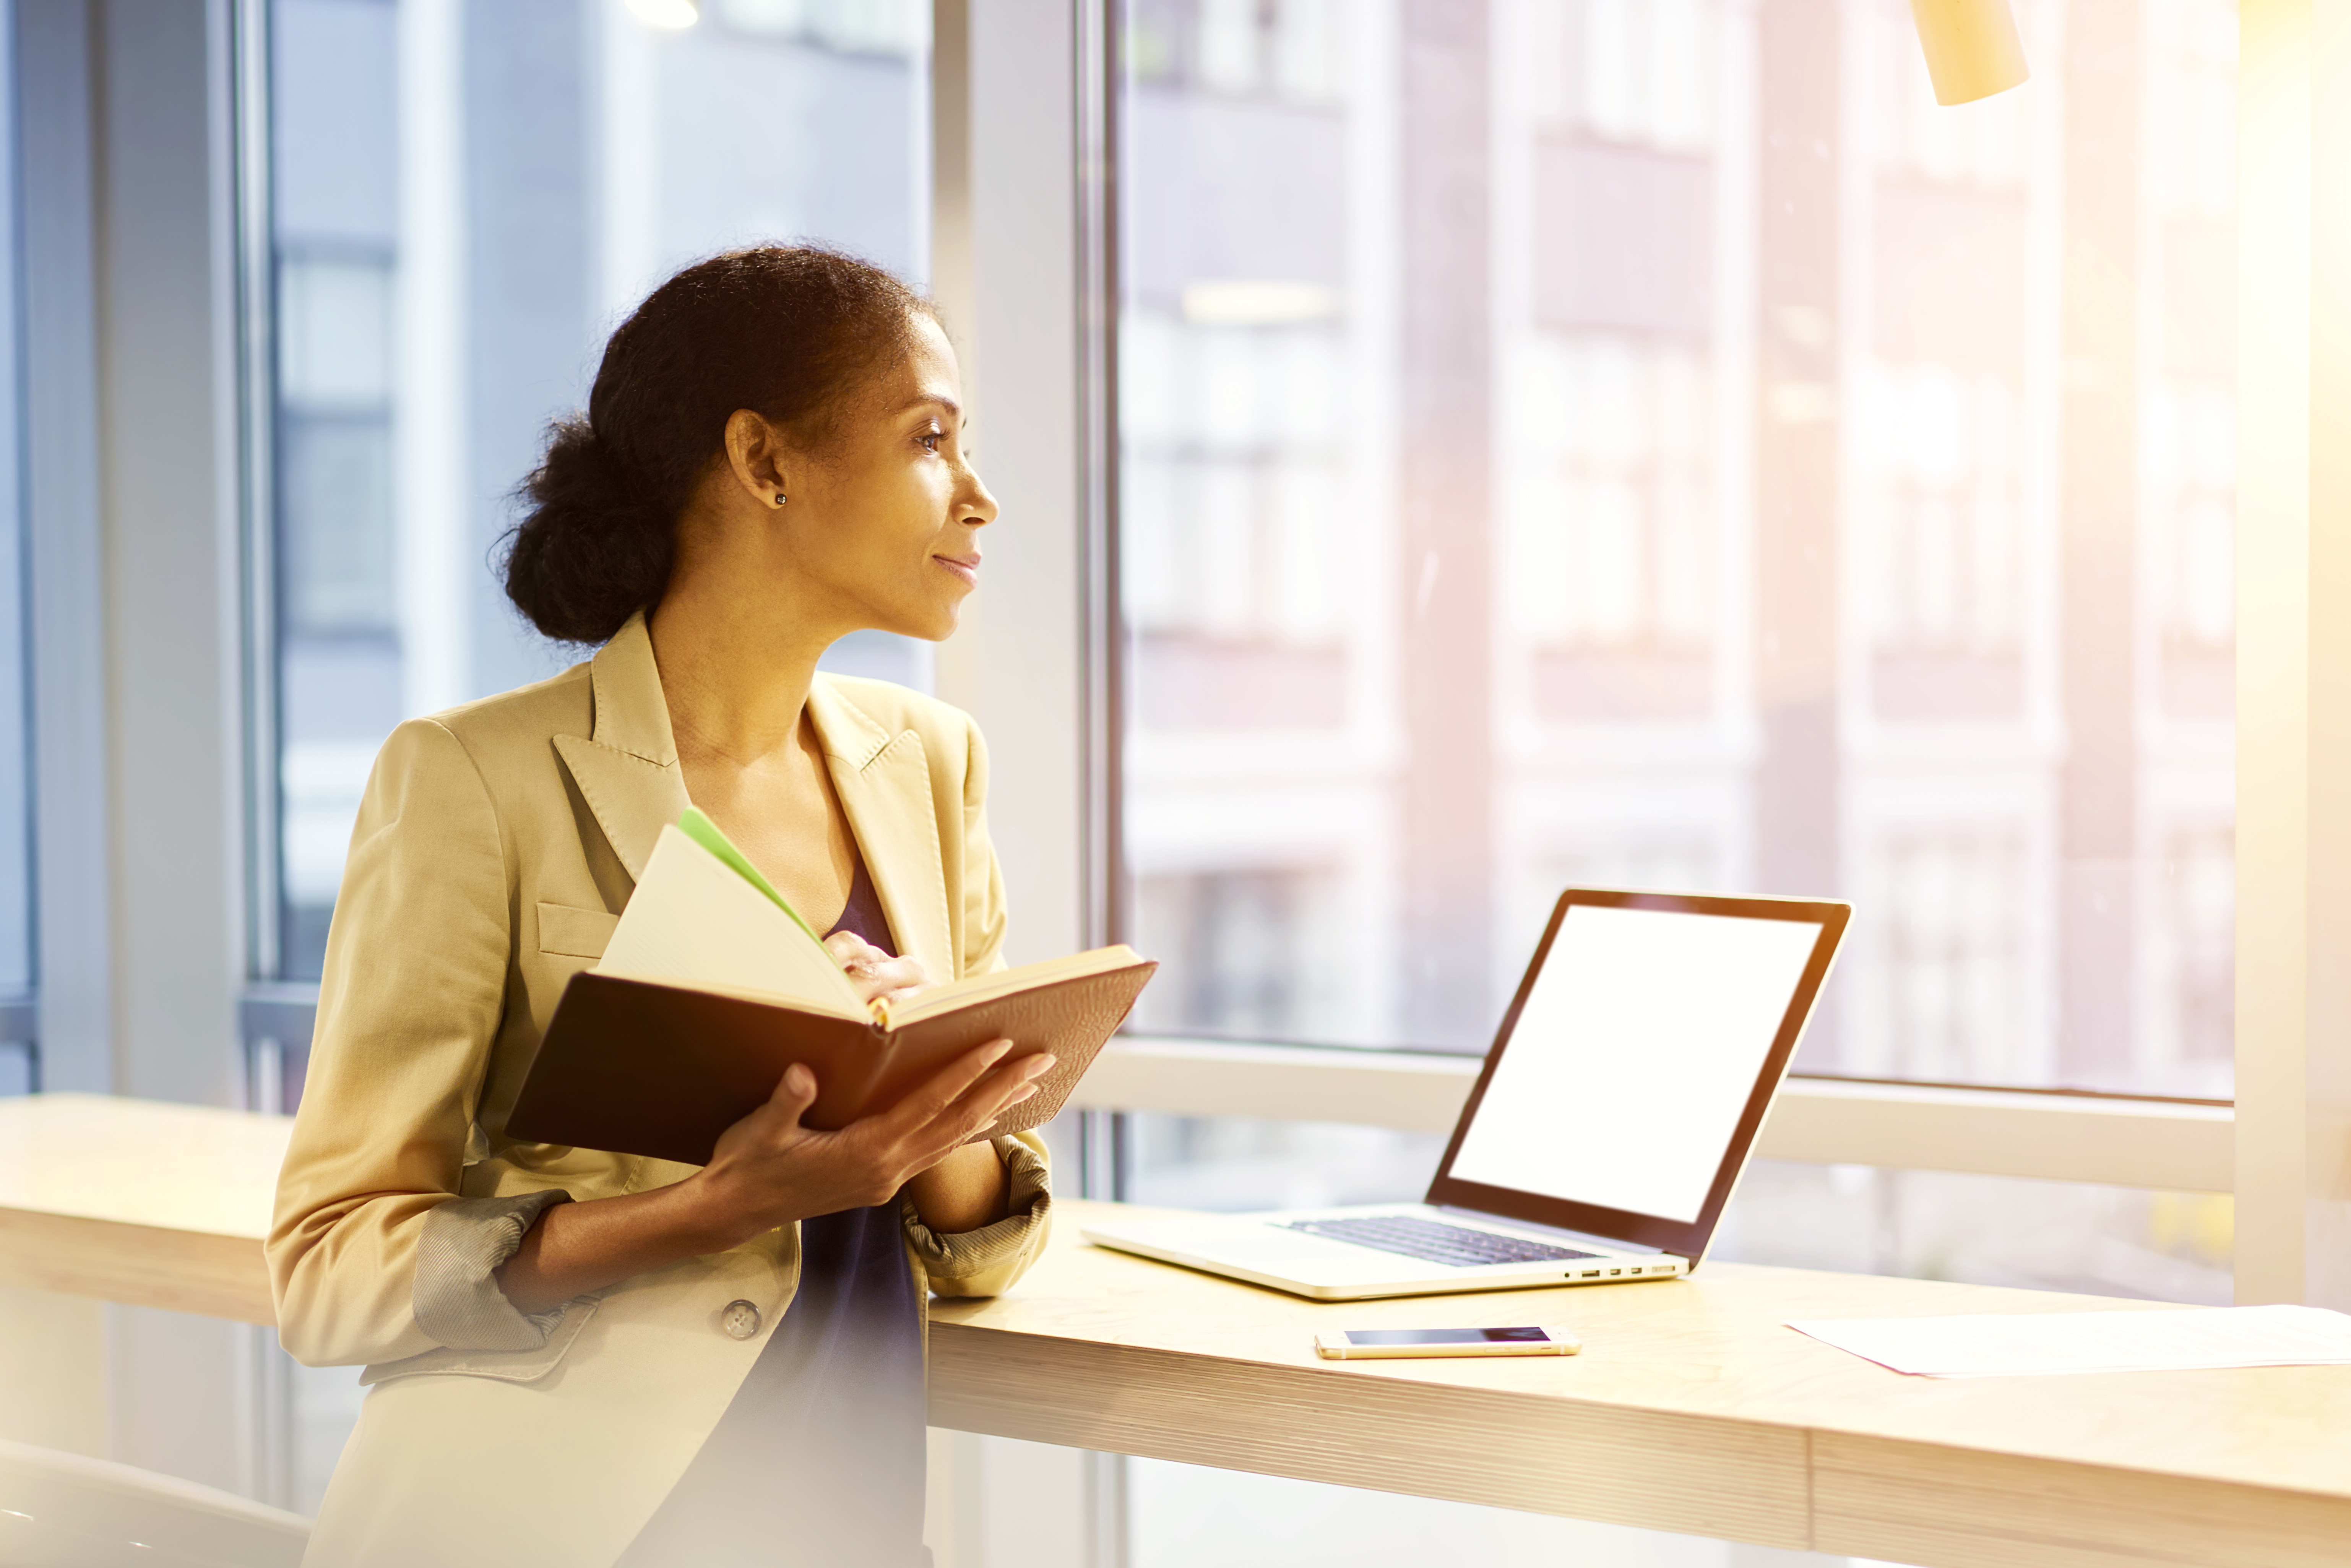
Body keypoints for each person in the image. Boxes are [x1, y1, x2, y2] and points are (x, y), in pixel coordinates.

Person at [267, 246, 1050, 1568]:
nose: (979, 497)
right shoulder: (473, 779)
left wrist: (937, 1085)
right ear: (764, 461)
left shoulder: (928, 761)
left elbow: (975, 1255)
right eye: (931, 438)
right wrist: (701, 1211)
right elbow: (329, 1272)